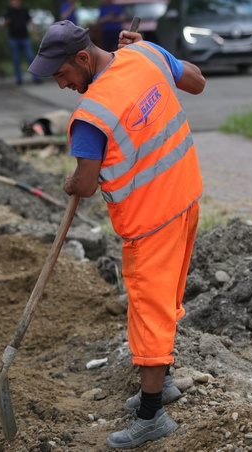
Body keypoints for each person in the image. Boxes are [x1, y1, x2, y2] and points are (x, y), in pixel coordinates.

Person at [28, 20, 205, 449]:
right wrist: (156, 52)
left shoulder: (91, 116)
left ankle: (151, 416)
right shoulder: (145, 55)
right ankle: (161, 385)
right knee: (164, 301)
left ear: (84, 59)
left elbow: (85, 184)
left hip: (150, 220)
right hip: (186, 196)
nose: (63, 85)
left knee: (149, 309)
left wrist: (70, 183)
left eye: (63, 75)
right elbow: (197, 82)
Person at [3, 0, 41, 85]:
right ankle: (19, 79)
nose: (14, 2)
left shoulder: (24, 11)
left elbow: (31, 22)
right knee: (16, 60)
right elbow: (4, 26)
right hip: (13, 39)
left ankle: (36, 78)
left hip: (25, 38)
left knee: (31, 57)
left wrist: (35, 33)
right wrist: (6, 22)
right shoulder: (9, 12)